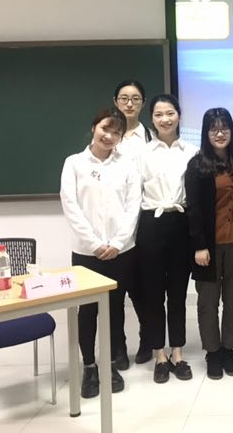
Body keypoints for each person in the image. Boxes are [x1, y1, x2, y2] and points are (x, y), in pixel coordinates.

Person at [59, 107, 140, 399]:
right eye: (106, 128)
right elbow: (70, 206)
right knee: (88, 311)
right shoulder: (74, 163)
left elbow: (133, 206)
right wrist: (94, 243)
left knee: (115, 308)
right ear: (94, 127)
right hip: (86, 252)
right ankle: (89, 367)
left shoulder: (127, 164)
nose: (109, 136)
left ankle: (110, 364)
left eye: (116, 132)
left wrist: (117, 242)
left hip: (121, 251)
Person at [186, 108, 233, 381]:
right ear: (206, 133)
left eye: (224, 127)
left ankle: (228, 349)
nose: (220, 133)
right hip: (209, 246)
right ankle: (212, 352)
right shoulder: (197, 165)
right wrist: (199, 245)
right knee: (208, 302)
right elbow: (193, 209)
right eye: (213, 128)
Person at [136, 93, 197, 383]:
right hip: (151, 223)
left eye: (170, 113)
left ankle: (178, 352)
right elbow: (133, 195)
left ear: (179, 116)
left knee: (178, 293)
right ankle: (159, 354)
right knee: (153, 293)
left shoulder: (192, 152)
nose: (165, 119)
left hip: (181, 222)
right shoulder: (142, 153)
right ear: (152, 119)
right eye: (159, 114)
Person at [112, 79, 151, 367]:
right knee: (115, 293)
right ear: (116, 102)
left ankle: (148, 339)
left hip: (144, 225)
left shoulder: (149, 137)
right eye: (124, 98)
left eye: (135, 98)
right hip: (113, 226)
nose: (129, 103)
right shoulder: (107, 135)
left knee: (143, 290)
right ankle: (117, 347)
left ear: (142, 103)